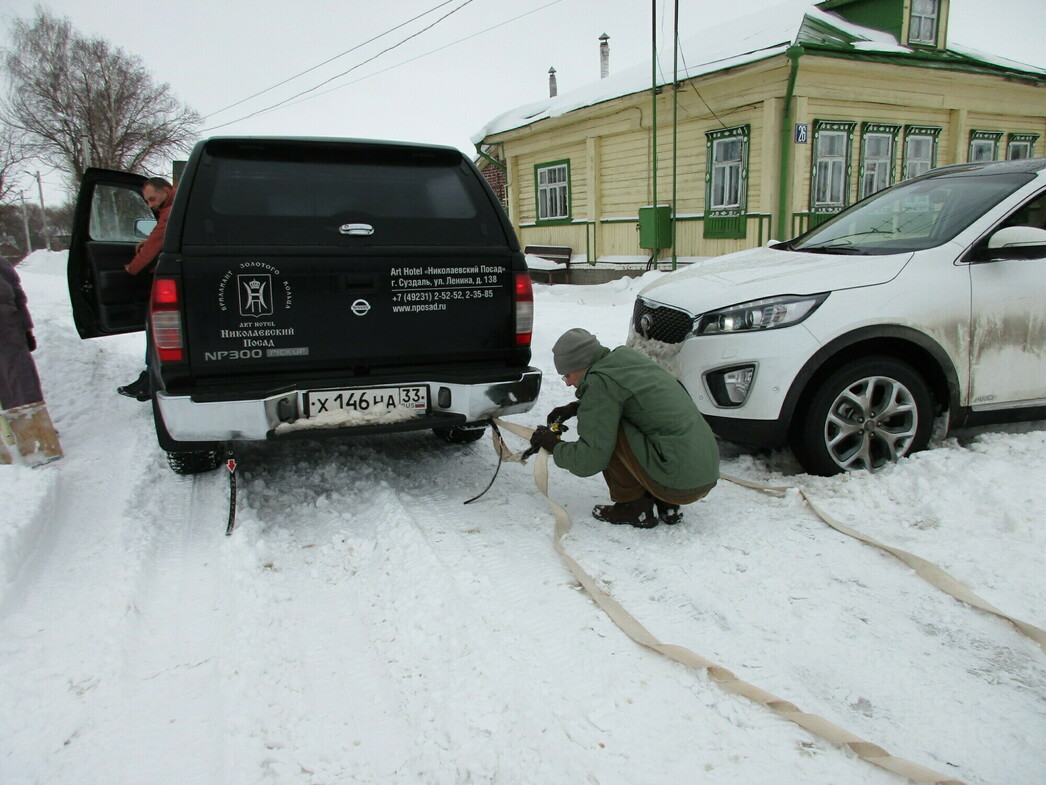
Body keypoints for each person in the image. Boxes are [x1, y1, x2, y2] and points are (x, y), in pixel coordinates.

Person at [530, 328, 719, 528]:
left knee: (609, 429)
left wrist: (554, 445)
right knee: (629, 420)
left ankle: (634, 507)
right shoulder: (625, 359)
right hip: (701, 472)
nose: (568, 383)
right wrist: (576, 408)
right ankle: (666, 505)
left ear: (581, 364)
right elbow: (639, 401)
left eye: (567, 375)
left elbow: (590, 459)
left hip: (678, 483)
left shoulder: (600, 381)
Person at [117, 177, 176, 401]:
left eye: (152, 199)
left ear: (166, 190)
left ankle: (151, 378)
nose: (151, 205)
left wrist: (131, 268)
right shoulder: (178, 205)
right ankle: (149, 375)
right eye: (147, 201)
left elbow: (153, 246)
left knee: (157, 329)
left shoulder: (171, 211)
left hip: (168, 279)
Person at [1, 257, 62, 465]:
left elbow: (19, 297)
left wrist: (27, 329)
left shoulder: (1, 265)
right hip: (10, 330)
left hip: (9, 331)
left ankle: (37, 435)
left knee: (22, 382)